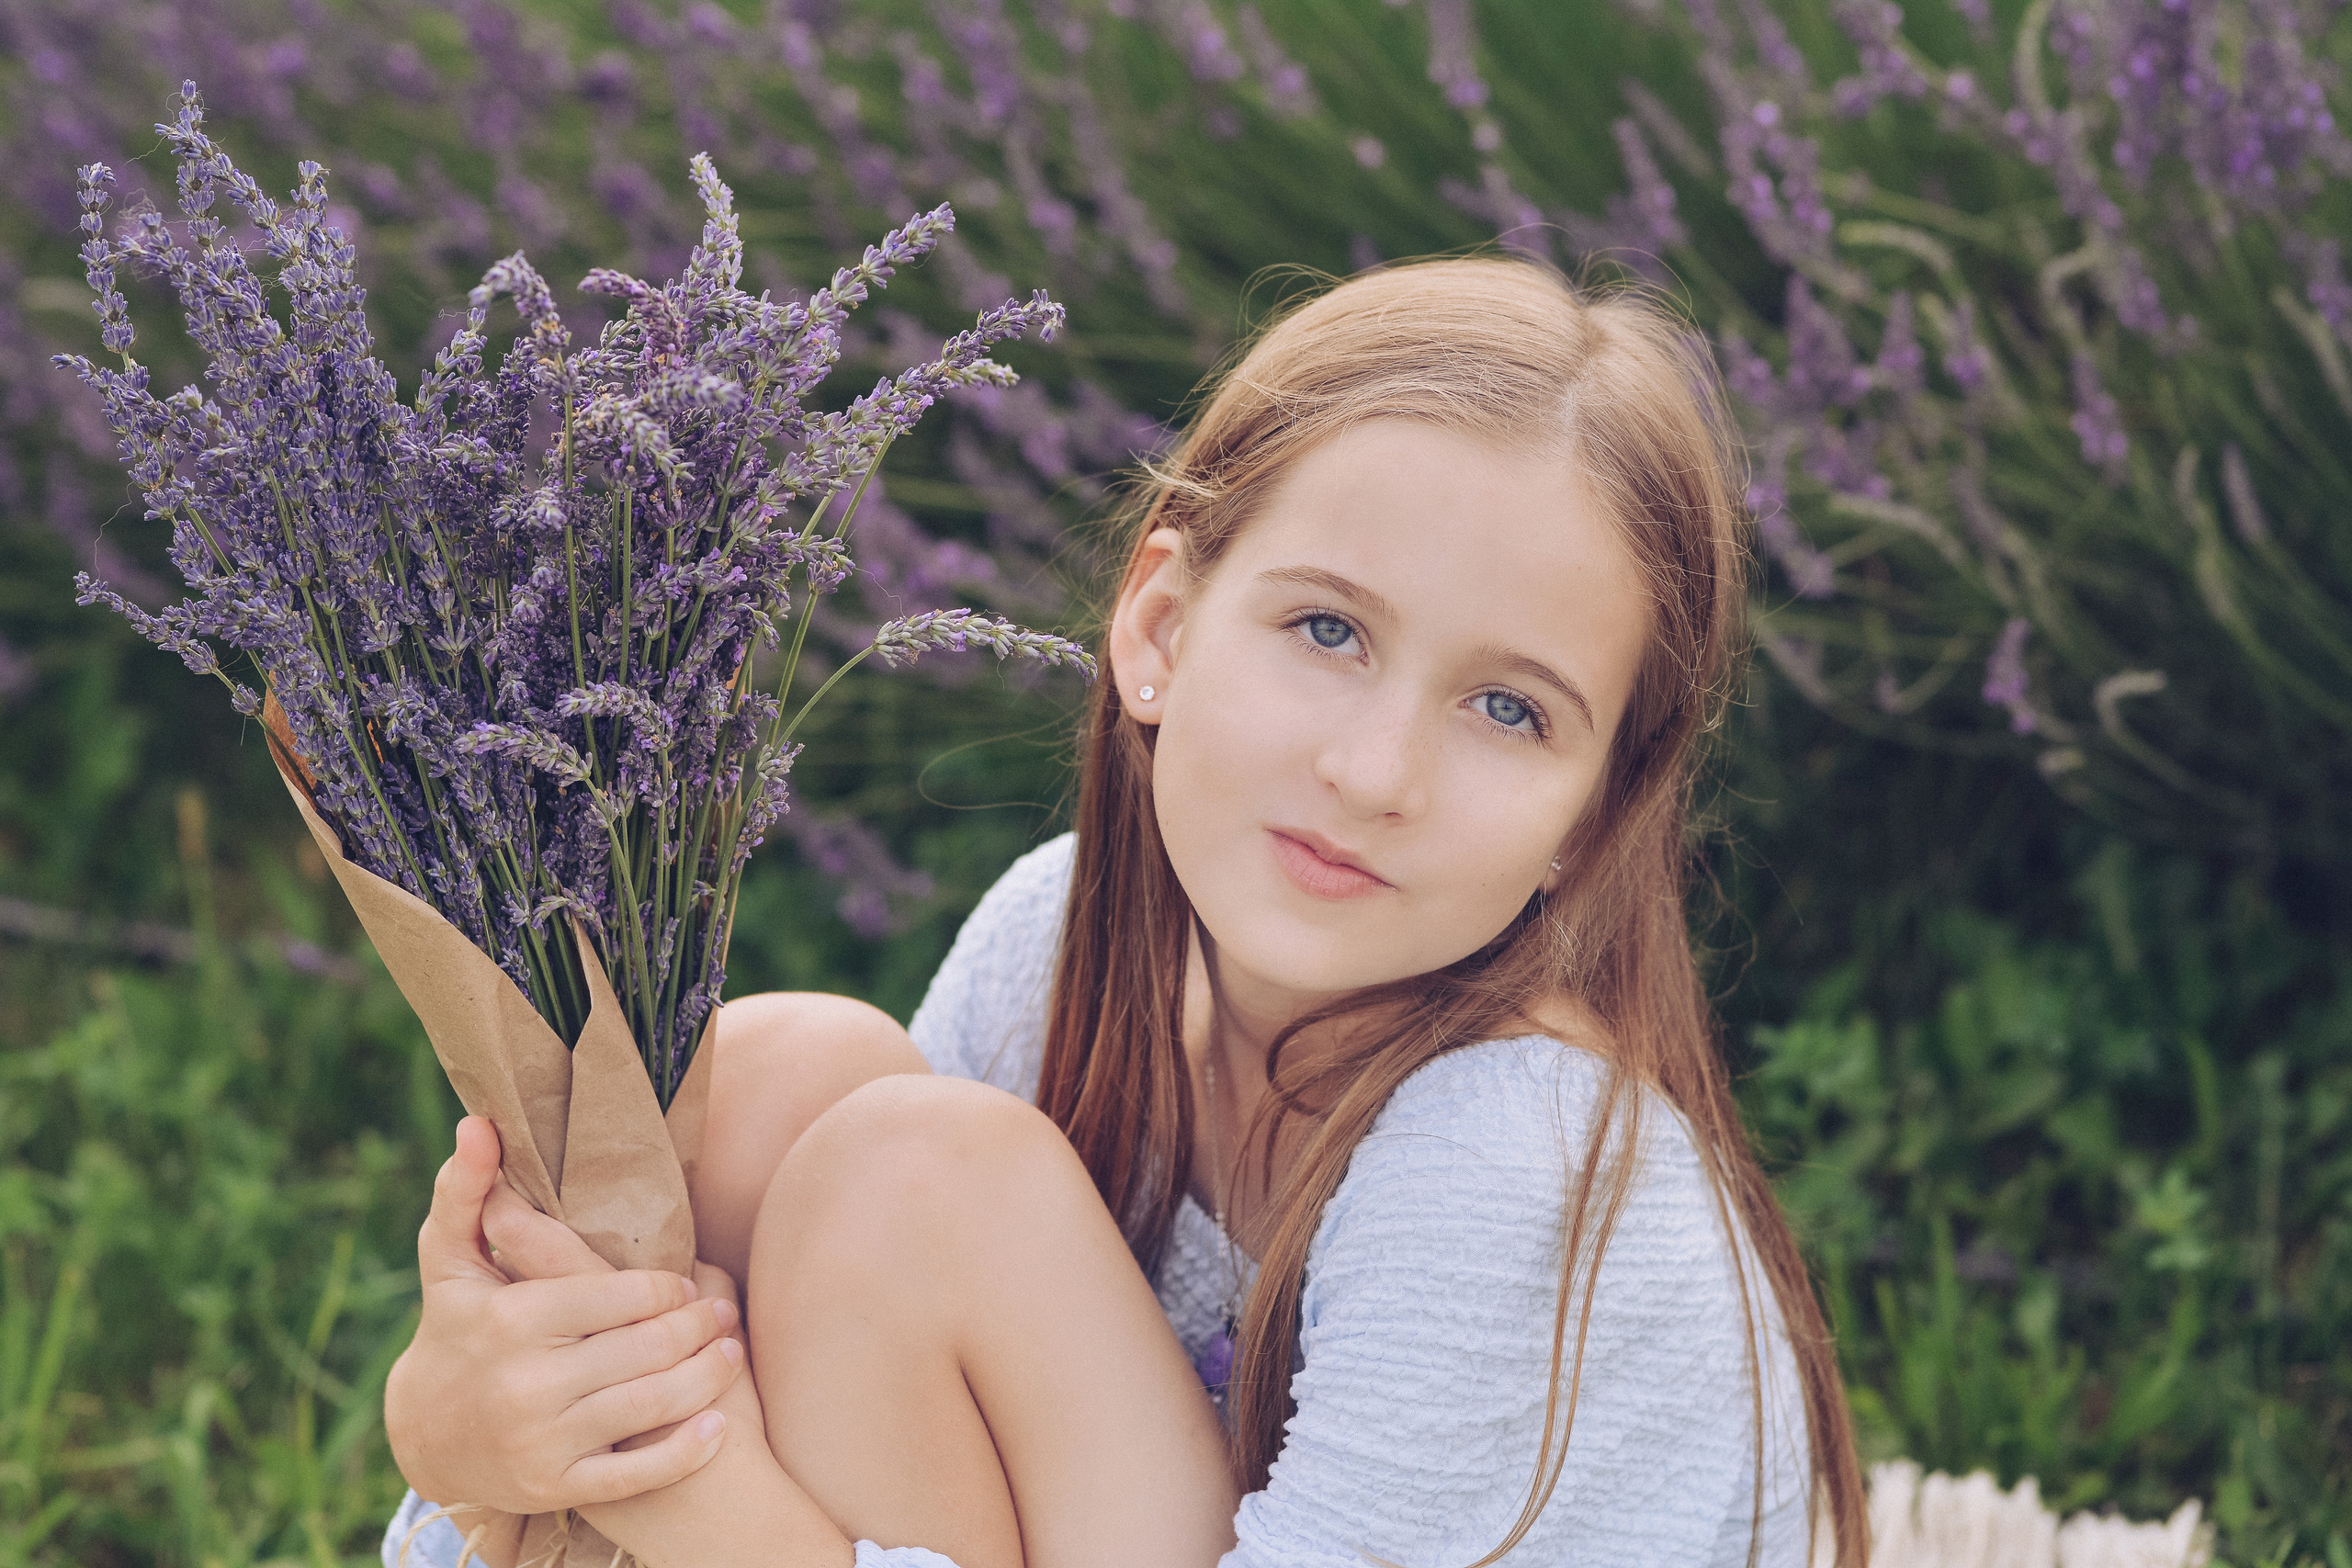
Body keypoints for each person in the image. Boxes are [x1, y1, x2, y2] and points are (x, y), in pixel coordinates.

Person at [379, 256, 1868, 1568]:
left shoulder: (1515, 1166)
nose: (1375, 773)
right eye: (1329, 629)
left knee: (912, 1178)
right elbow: (867, 1364)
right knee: (781, 1090)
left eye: (1508, 709)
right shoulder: (1058, 938)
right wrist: (464, 1434)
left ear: (1591, 820)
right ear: (1159, 625)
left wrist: (698, 1501)